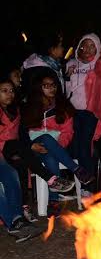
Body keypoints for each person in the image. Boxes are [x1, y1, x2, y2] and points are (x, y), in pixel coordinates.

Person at [0, 79, 73, 215]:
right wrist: (30, 146)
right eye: (4, 91)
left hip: (19, 150)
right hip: (5, 150)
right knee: (16, 145)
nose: (9, 94)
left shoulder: (16, 111)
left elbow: (23, 135)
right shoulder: (30, 109)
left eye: (11, 91)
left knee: (21, 161)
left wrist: (29, 146)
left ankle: (24, 207)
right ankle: (51, 178)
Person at [21, 73, 93, 200]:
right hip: (33, 149)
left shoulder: (63, 108)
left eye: (53, 85)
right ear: (39, 88)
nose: (51, 88)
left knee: (50, 157)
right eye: (46, 85)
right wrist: (32, 146)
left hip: (57, 148)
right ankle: (76, 169)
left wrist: (55, 147)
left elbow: (68, 133)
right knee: (47, 138)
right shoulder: (28, 108)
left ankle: (53, 201)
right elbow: (21, 133)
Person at [64, 33, 101, 176]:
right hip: (72, 112)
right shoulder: (71, 63)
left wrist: (94, 77)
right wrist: (67, 77)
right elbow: (65, 92)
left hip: (90, 111)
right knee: (73, 146)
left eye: (93, 45)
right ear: (80, 47)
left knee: (85, 145)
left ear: (98, 48)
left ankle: (88, 185)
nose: (89, 48)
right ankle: (75, 181)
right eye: (86, 44)